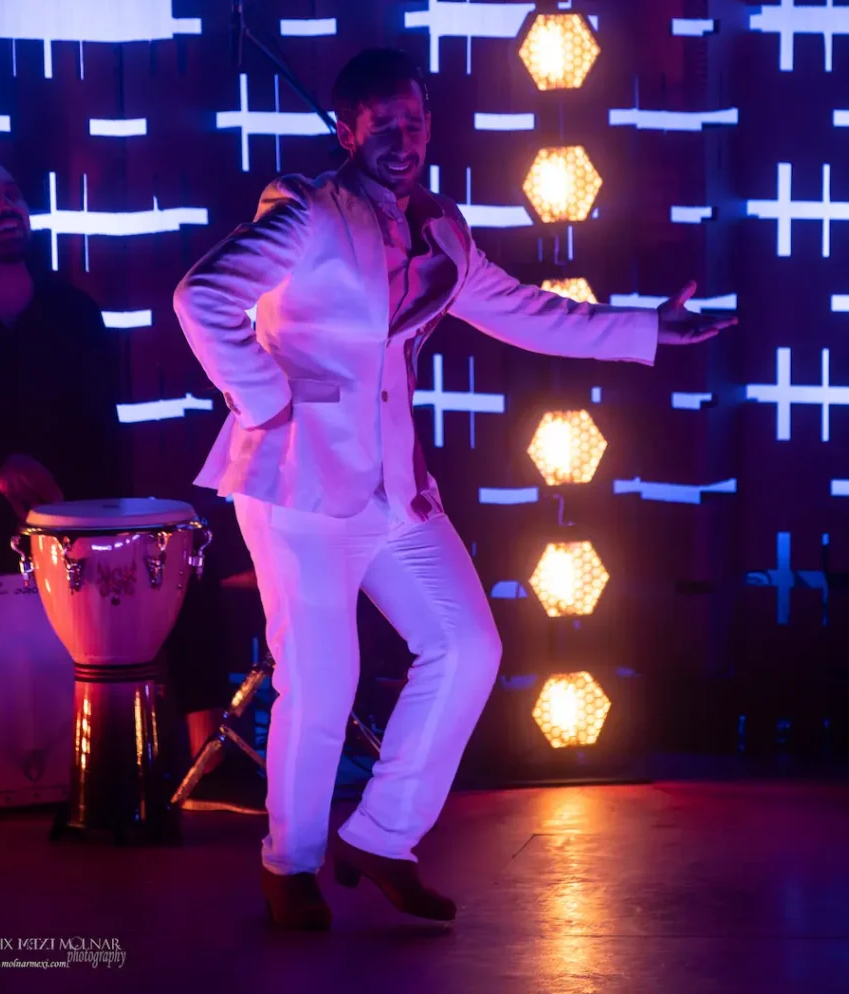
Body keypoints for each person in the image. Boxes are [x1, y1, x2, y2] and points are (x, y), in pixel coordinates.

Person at [173, 48, 736, 931]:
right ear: (346, 131)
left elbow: (521, 308)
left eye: (414, 122)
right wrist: (268, 400)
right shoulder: (308, 212)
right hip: (296, 485)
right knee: (322, 677)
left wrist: (645, 330)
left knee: (468, 646)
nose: (402, 140)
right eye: (383, 125)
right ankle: (291, 864)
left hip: (395, 486)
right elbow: (201, 298)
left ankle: (383, 836)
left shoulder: (439, 230)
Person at [0, 159, 122, 801]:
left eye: (12, 194)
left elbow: (100, 430)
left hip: (65, 507)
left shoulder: (71, 309)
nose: (6, 206)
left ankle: (182, 755)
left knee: (175, 543)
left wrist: (95, 512)